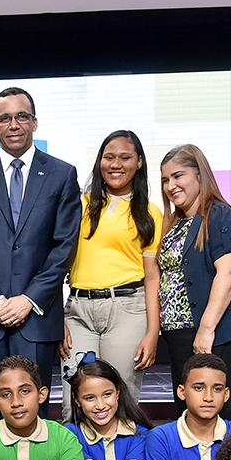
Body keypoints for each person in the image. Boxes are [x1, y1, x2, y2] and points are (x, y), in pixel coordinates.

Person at [0, 87, 82, 420]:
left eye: (22, 116)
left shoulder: (62, 174)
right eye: (4, 118)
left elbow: (64, 246)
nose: (14, 124)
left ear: (35, 122)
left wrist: (28, 299)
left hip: (36, 317)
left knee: (34, 415)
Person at [61, 130, 161, 400]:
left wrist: (153, 332)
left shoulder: (151, 212)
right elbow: (55, 263)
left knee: (121, 396)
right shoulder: (78, 205)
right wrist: (57, 320)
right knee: (77, 398)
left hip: (128, 309)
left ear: (139, 162)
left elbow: (152, 277)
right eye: (109, 157)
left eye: (125, 157)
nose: (116, 164)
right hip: (79, 311)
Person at [156, 144, 231, 422]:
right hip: (179, 335)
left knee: (225, 414)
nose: (170, 185)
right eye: (165, 179)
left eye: (178, 176)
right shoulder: (175, 222)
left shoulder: (219, 215)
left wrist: (206, 330)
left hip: (214, 334)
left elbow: (229, 273)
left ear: (200, 176)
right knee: (187, 417)